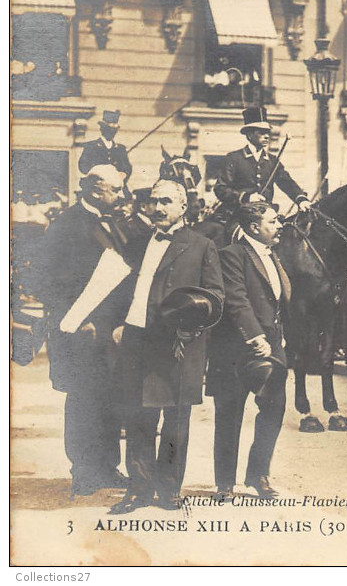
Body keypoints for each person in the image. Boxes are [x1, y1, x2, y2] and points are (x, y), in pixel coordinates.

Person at [111, 179, 224, 514]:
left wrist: (191, 319)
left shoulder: (201, 245)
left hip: (178, 343)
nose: (157, 208)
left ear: (182, 207)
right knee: (137, 416)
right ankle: (139, 489)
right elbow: (121, 287)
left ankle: (169, 489)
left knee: (175, 420)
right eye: (153, 201)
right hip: (138, 338)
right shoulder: (136, 242)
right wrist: (118, 323)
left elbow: (217, 296)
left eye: (165, 202)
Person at [35, 164, 130, 497]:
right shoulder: (66, 225)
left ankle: (107, 466)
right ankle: (83, 471)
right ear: (95, 189)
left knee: (111, 398)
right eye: (117, 189)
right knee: (83, 400)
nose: (122, 195)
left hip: (111, 332)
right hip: (79, 329)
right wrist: (79, 319)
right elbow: (48, 279)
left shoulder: (113, 223)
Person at [208, 202, 290, 500]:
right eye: (273, 220)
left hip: (273, 346)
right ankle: (225, 484)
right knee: (229, 413)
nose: (280, 224)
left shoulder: (274, 255)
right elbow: (236, 299)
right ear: (254, 227)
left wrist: (282, 338)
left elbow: (278, 302)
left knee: (274, 409)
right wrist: (255, 337)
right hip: (237, 348)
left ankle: (258, 476)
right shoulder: (232, 255)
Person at [213, 106, 312, 218]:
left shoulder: (272, 161)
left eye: (267, 132)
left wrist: (301, 199)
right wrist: (246, 197)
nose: (266, 136)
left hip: (265, 214)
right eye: (261, 132)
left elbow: (287, 182)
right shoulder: (234, 158)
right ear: (249, 135)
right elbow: (221, 188)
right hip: (238, 214)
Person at [78, 110, 132, 181]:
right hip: (97, 183)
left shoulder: (120, 149)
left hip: (116, 183)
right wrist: (97, 172)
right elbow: (83, 165)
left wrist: (123, 174)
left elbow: (127, 168)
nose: (112, 132)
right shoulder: (91, 146)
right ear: (103, 128)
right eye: (109, 129)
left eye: (114, 129)